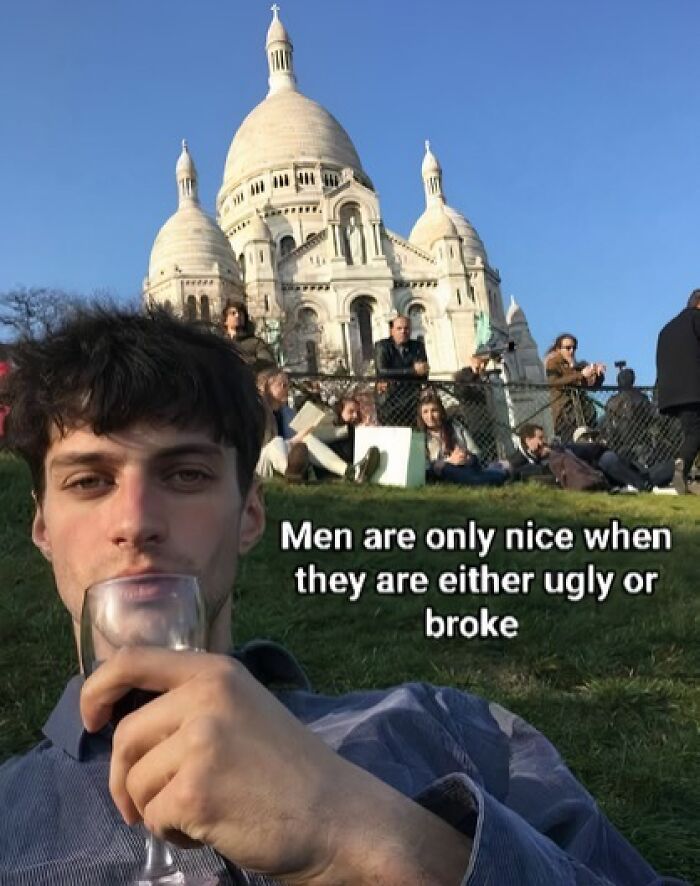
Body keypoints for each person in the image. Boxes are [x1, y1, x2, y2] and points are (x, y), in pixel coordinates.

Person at [0, 307, 685, 885]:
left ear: (250, 514)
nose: (135, 521)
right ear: (42, 528)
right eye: (89, 481)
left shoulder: (449, 730)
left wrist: (368, 834)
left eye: (184, 475)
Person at [256, 367, 378, 484]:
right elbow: (263, 446)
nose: (287, 389)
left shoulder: (287, 412)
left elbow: (300, 438)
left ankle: (352, 472)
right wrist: (297, 439)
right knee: (276, 442)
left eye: (288, 385)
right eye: (283, 385)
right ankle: (291, 474)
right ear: (267, 387)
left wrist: (350, 430)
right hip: (260, 463)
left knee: (307, 439)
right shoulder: (257, 410)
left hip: (284, 455)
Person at [509, 423, 673, 492]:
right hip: (592, 479)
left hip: (598, 471)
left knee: (637, 472)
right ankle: (674, 469)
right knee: (644, 475)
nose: (543, 441)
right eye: (539, 438)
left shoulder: (555, 449)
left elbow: (589, 450)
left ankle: (673, 468)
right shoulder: (522, 460)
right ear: (527, 440)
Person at [656, 289, 700, 494]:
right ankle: (682, 465)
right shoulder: (696, 319)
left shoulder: (667, 329)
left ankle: (690, 476)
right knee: (696, 432)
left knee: (692, 431)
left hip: (671, 392)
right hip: (694, 388)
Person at [417, 391, 507, 487]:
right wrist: (449, 461)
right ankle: (500, 473)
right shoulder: (419, 436)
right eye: (425, 412)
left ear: (441, 412)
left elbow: (475, 452)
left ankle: (499, 472)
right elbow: (423, 466)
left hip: (464, 466)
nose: (430, 416)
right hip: (441, 471)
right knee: (459, 474)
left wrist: (466, 457)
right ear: (421, 415)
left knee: (470, 472)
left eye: (434, 411)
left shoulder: (454, 427)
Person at [545, 333, 605, 442]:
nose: (571, 351)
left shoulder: (578, 364)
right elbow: (554, 382)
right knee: (571, 444)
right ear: (558, 349)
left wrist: (598, 374)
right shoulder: (553, 363)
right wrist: (581, 374)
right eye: (568, 348)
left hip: (583, 411)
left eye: (574, 348)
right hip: (565, 414)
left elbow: (593, 387)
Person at [374, 315, 429, 425]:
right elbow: (382, 371)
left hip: (412, 397)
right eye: (399, 328)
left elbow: (423, 371)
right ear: (392, 330)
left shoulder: (418, 346)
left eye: (406, 328)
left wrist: (420, 371)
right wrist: (412, 371)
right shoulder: (382, 346)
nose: (403, 331)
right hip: (389, 398)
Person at [222, 300, 276, 371]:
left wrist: (247, 360)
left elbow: (269, 364)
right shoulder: (220, 344)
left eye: (241, 314)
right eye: (233, 313)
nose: (237, 316)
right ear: (225, 321)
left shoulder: (256, 343)